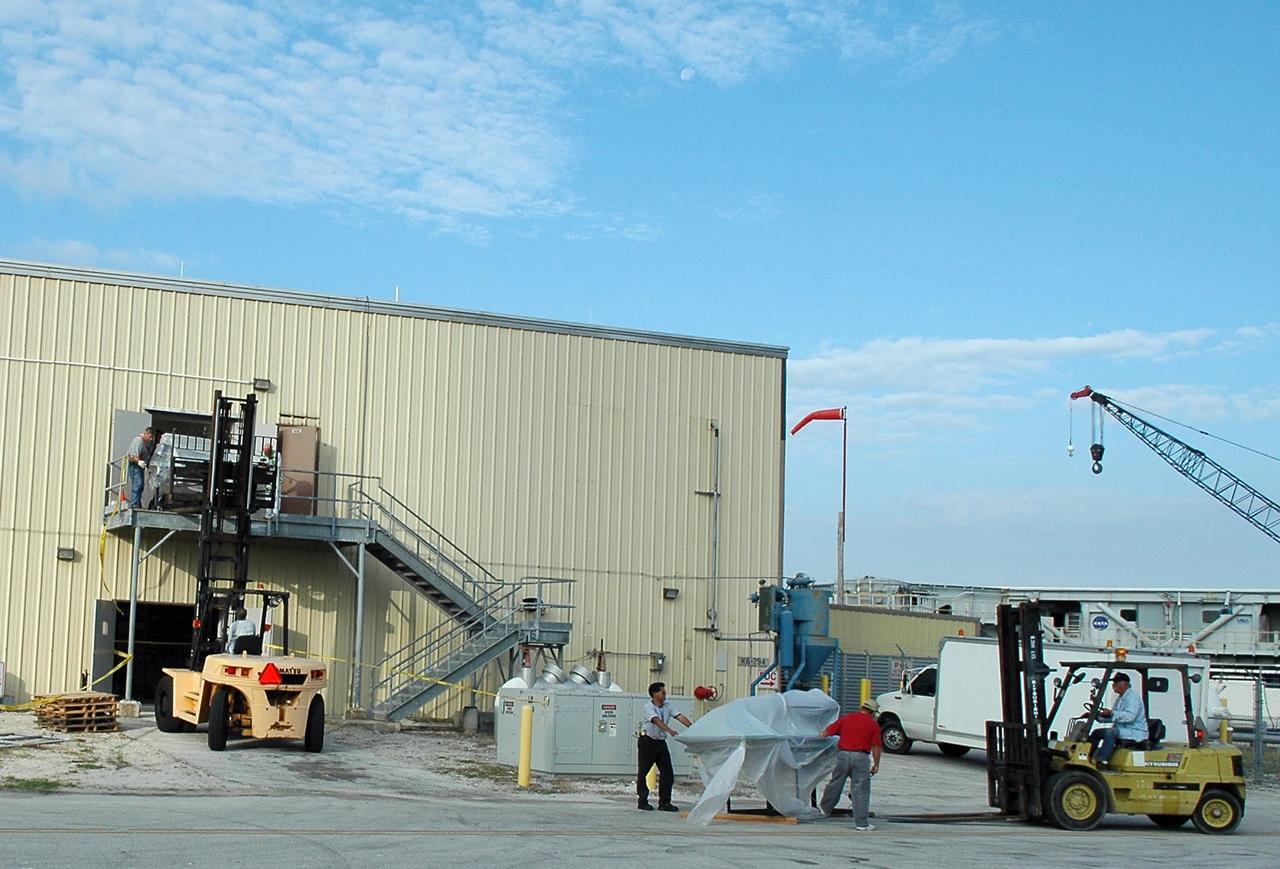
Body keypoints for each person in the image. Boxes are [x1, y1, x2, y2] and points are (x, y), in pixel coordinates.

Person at [820, 698, 883, 831]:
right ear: (873, 712)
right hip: (861, 758)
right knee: (860, 790)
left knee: (835, 784)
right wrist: (876, 765)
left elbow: (826, 733)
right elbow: (876, 747)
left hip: (842, 755)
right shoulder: (873, 725)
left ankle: (825, 809)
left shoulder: (847, 718)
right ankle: (861, 823)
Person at [637, 681, 693, 812]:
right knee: (643, 773)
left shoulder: (667, 705)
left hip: (661, 743)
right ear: (655, 694)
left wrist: (692, 727)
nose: (665, 694)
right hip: (648, 742)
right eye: (662, 692)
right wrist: (670, 730)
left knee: (667, 773)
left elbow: (679, 716)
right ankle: (642, 801)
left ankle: (664, 802)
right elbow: (656, 721)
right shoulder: (648, 707)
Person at [1093, 672, 1148, 766]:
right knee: (1097, 732)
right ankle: (1090, 757)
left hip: (1135, 732)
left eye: (1116, 683)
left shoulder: (1132, 698)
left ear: (1125, 684)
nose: (1113, 685)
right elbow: (1115, 717)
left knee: (1111, 733)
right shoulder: (1121, 698)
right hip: (1123, 729)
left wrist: (1111, 713)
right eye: (1113, 683)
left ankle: (1103, 761)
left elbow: (1129, 717)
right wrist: (1097, 717)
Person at [126, 427, 156, 508]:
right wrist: (139, 461)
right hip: (134, 465)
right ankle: (134, 504)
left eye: (152, 437)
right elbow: (134, 455)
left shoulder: (147, 443)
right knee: (138, 484)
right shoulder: (138, 441)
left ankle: (138, 503)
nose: (150, 439)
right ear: (145, 434)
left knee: (141, 485)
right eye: (149, 437)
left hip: (141, 466)